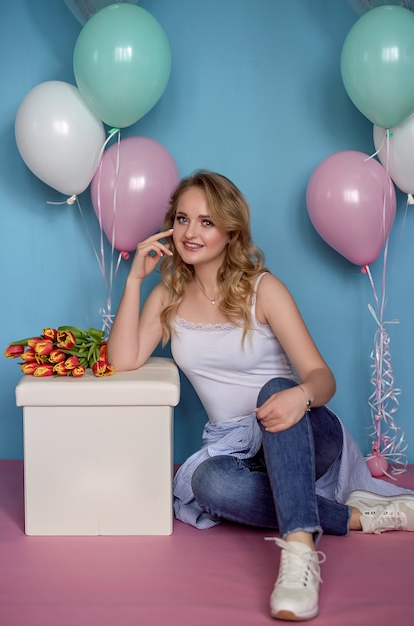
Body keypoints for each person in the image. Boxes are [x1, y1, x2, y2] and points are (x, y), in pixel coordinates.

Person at [107, 170, 414, 622]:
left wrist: (300, 397)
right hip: (238, 447)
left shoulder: (263, 289)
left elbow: (321, 376)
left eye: (207, 222)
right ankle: (357, 518)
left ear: (231, 230)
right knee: (206, 483)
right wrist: (134, 281)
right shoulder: (168, 294)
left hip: (307, 432)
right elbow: (123, 359)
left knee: (276, 389)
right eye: (183, 219)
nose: (192, 232)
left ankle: (298, 558)